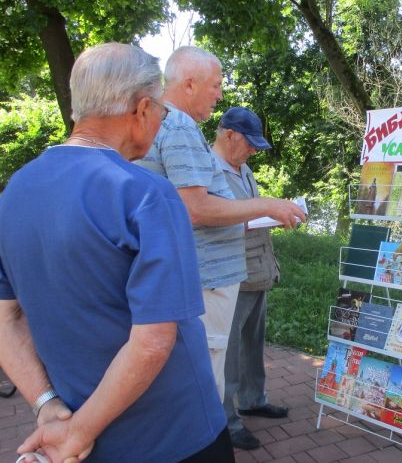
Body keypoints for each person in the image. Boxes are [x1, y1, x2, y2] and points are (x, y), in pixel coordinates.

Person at [0, 43, 234, 461]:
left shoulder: (15, 191)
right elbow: (152, 342)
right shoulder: (145, 193)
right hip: (174, 435)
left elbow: (5, 318)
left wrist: (47, 403)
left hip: (85, 437)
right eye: (161, 108)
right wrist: (78, 432)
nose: (163, 118)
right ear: (142, 109)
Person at [135, 47, 305, 404]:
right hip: (207, 279)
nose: (220, 95)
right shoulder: (179, 126)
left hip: (184, 272)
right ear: (190, 84)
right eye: (215, 85)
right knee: (207, 374)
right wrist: (268, 206)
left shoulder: (155, 123)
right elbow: (195, 209)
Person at [212, 107, 291, 450]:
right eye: (249, 144)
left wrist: (272, 213)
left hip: (258, 268)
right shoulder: (206, 169)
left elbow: (250, 210)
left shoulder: (242, 168)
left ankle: (253, 398)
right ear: (228, 135)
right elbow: (208, 219)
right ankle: (227, 421)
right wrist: (263, 211)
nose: (253, 151)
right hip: (231, 272)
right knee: (226, 351)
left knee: (252, 341)